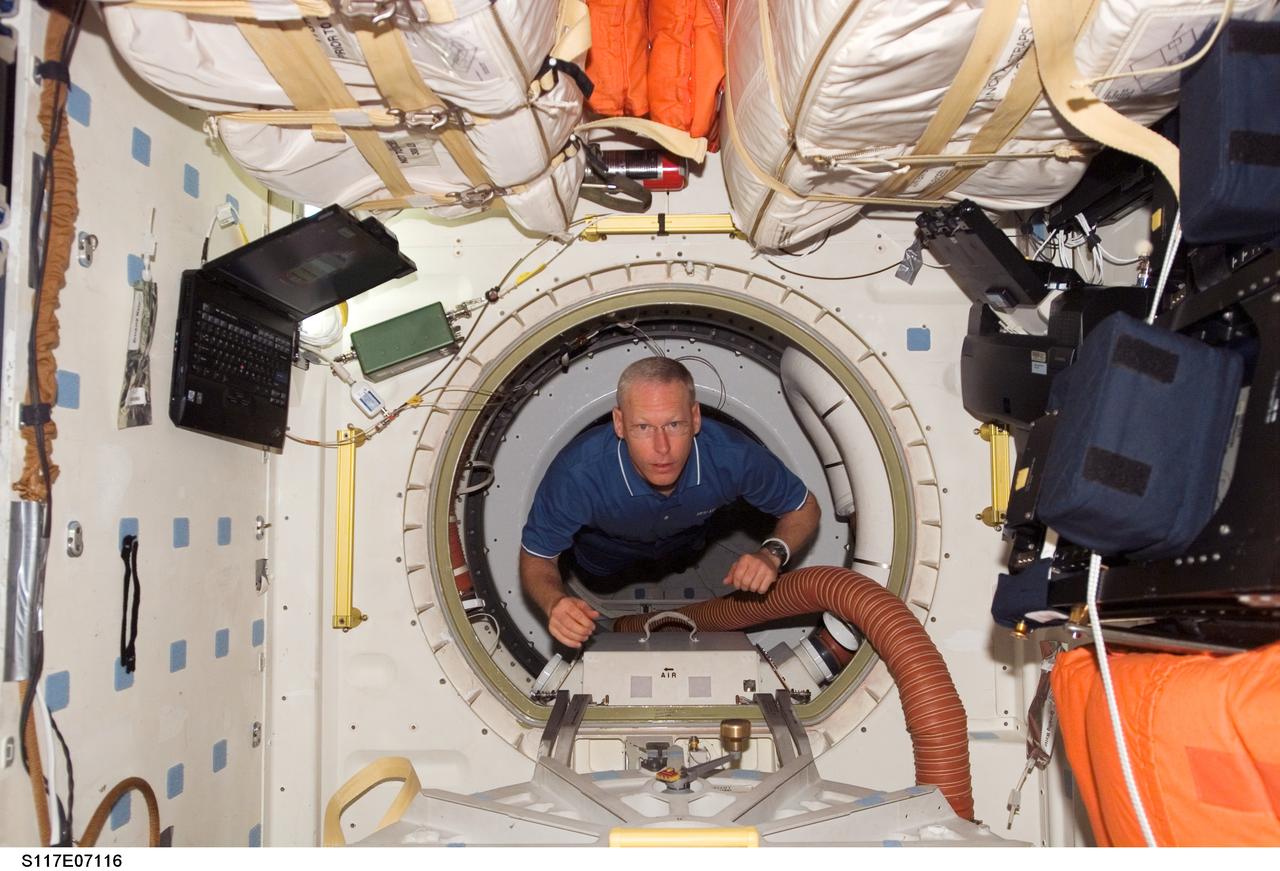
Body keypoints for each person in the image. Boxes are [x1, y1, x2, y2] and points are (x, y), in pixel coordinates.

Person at [520, 357, 820, 648]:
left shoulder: (733, 457)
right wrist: (555, 602)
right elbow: (538, 557)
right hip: (604, 557)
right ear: (619, 424)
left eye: (674, 424)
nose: (662, 448)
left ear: (696, 418)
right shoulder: (577, 475)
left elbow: (804, 508)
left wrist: (772, 554)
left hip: (686, 543)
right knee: (599, 570)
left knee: (686, 552)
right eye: (643, 427)